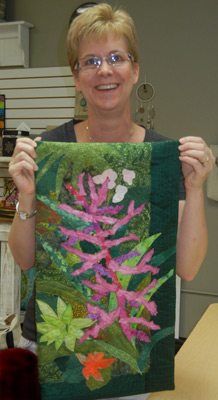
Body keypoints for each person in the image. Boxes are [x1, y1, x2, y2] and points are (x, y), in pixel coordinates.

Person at [8, 3, 215, 398]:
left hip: (127, 349)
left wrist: (195, 187)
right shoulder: (50, 149)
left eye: (117, 57)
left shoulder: (160, 157)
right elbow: (26, 258)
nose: (105, 70)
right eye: (91, 61)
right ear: (76, 77)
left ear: (135, 70)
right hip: (57, 344)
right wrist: (27, 194)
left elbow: (187, 267)